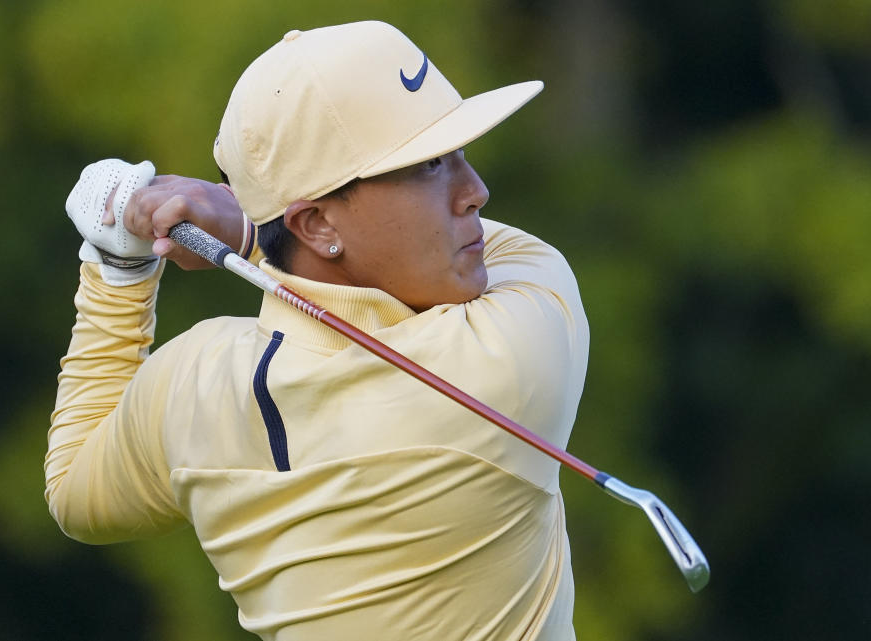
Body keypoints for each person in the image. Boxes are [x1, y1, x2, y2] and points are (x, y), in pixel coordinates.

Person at [47, 20, 589, 641]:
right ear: (314, 223)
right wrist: (249, 236)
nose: (476, 192)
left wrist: (119, 264)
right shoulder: (509, 357)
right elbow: (510, 258)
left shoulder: (194, 388)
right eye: (431, 165)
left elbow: (72, 488)